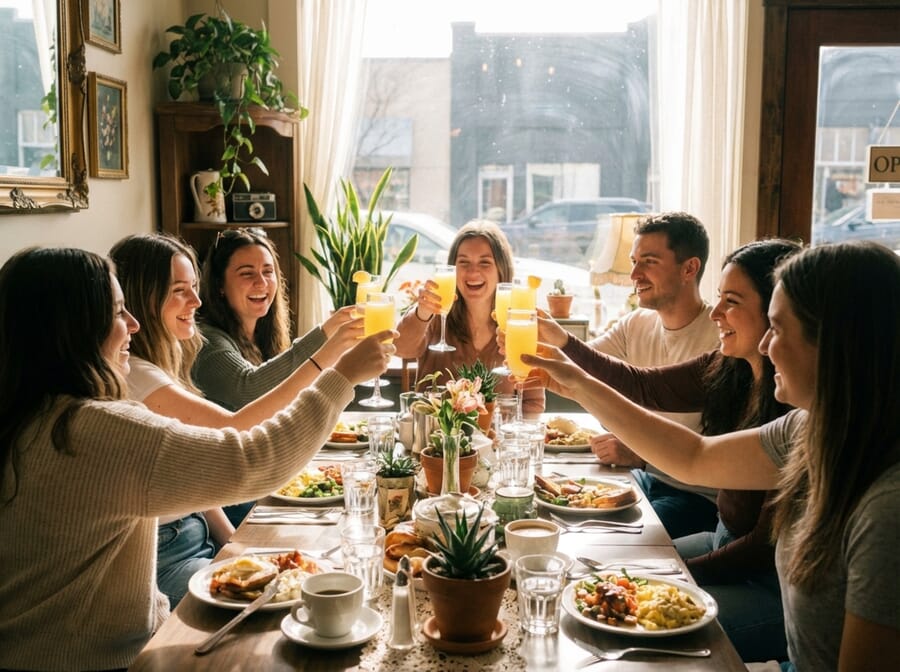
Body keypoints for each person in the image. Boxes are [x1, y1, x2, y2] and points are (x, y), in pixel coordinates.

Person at [0, 247, 393, 671]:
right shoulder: (92, 430)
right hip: (92, 662)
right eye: (117, 313)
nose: (131, 323)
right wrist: (341, 377)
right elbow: (253, 459)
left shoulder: (24, 416)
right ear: (71, 330)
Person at [525, 241, 900, 671]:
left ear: (836, 344)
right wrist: (579, 385)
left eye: (777, 329)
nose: (764, 347)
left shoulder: (887, 509)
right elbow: (694, 455)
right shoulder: (809, 428)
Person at [542, 238, 801, 661]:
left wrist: (673, 578)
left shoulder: (791, 410)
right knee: (602, 578)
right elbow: (644, 385)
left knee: (624, 630)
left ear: (777, 316)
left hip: (765, 583)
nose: (716, 313)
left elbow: (759, 548)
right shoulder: (730, 368)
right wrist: (566, 349)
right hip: (724, 540)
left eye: (731, 301)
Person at [109, 233, 361, 607]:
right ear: (144, 299)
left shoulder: (165, 363)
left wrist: (231, 540)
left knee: (310, 568)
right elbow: (239, 424)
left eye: (194, 287)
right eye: (180, 290)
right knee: (296, 594)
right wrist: (330, 356)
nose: (196, 301)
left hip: (194, 534)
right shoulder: (141, 377)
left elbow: (188, 474)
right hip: (165, 553)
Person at [591, 212, 722, 538]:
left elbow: (718, 452)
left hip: (698, 498)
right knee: (577, 512)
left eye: (648, 262)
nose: (634, 273)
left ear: (689, 268)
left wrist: (641, 455)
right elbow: (580, 361)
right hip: (646, 478)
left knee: (609, 536)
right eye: (635, 261)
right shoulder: (636, 323)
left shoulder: (722, 339)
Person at [192, 227, 354, 412]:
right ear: (219, 284)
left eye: (268, 272)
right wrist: (326, 334)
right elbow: (250, 391)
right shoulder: (206, 342)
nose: (261, 282)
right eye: (247, 273)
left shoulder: (264, 336)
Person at [394, 219, 544, 415]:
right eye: (463, 262)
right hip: (437, 441)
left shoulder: (520, 327)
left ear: (501, 270)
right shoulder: (436, 316)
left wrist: (503, 430)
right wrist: (422, 313)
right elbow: (399, 348)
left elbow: (533, 404)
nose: (473, 272)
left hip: (497, 442)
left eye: (485, 262)